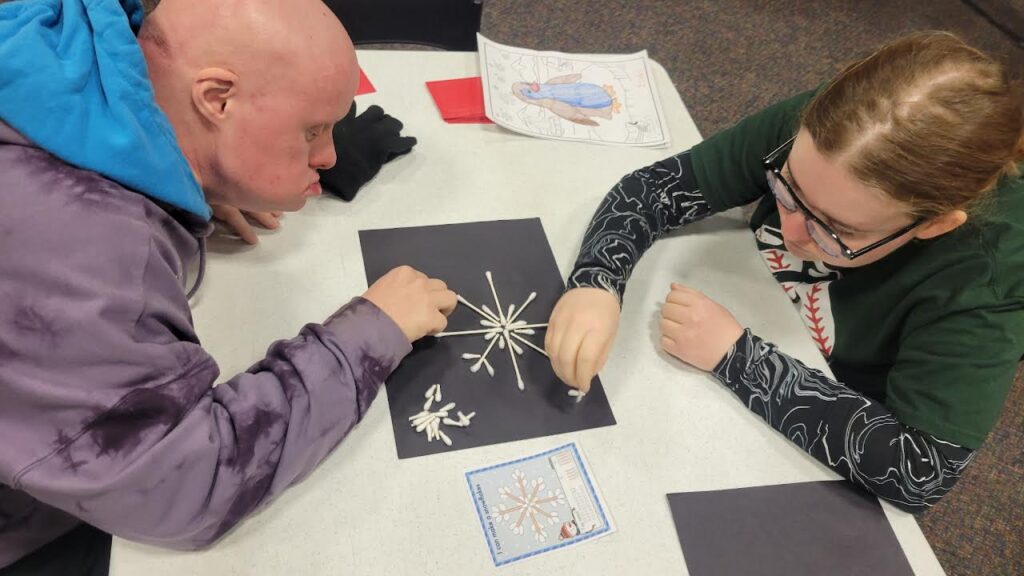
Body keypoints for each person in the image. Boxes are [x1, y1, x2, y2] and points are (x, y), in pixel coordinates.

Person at [0, 0, 456, 573]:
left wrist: (196, 182)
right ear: (216, 99)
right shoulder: (81, 247)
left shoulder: (58, 39)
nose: (328, 155)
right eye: (313, 132)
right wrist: (364, 338)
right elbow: (181, 486)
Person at [546, 31, 1024, 513]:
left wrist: (738, 356)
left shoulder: (986, 278)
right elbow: (654, 190)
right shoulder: (839, 131)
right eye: (787, 188)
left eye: (836, 230)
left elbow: (920, 471)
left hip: (822, 408)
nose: (792, 231)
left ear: (935, 224)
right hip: (743, 306)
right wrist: (596, 282)